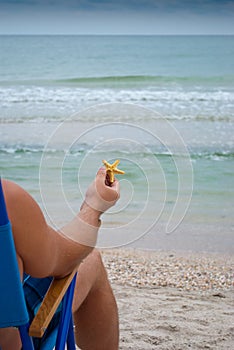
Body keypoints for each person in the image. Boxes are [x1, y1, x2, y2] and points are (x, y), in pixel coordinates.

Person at [0, 168, 120, 350]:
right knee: (90, 260)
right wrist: (94, 205)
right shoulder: (7, 199)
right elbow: (63, 260)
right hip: (17, 343)